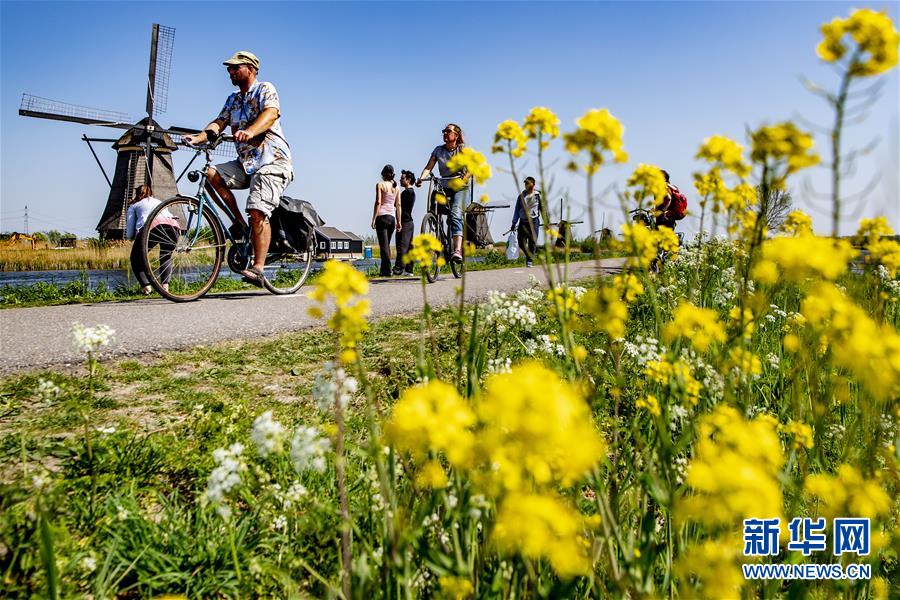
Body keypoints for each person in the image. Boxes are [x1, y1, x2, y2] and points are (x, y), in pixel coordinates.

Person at [182, 51, 293, 286]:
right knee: (210, 174)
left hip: (272, 161)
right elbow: (219, 122)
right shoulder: (233, 99)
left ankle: (259, 268)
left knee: (257, 209)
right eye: (228, 69)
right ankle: (239, 224)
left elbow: (271, 113)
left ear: (250, 69)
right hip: (247, 164)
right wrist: (199, 137)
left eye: (235, 68)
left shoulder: (265, 89)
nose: (230, 72)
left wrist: (251, 131)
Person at [416, 123, 467, 263]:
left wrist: (464, 178)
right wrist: (421, 178)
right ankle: (439, 235)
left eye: (448, 131)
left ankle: (457, 250)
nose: (445, 133)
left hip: (460, 188)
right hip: (444, 187)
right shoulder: (438, 150)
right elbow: (428, 167)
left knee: (455, 215)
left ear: (456, 135)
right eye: (444, 131)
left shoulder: (462, 149)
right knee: (435, 210)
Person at [126, 184, 180, 294]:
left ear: (137, 193)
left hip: (152, 227)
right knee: (166, 256)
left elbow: (129, 234)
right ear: (151, 192)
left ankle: (147, 288)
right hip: (173, 226)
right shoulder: (159, 202)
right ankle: (165, 287)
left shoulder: (134, 206)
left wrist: (134, 236)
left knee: (136, 258)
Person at [372, 164, 402, 277]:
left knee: (384, 246)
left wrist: (374, 219)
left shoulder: (380, 185)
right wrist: (399, 221)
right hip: (392, 218)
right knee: (386, 245)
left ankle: (388, 270)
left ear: (383, 174)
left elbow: (378, 202)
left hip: (382, 217)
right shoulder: (396, 187)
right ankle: (383, 270)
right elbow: (398, 205)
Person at [510, 176, 542, 267]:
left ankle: (529, 260)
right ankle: (529, 255)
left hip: (534, 221)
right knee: (521, 242)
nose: (526, 185)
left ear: (533, 184)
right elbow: (516, 210)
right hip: (523, 222)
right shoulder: (521, 196)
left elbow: (542, 209)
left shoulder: (538, 196)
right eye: (525, 183)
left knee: (532, 242)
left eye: (528, 183)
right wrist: (514, 222)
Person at [392, 170, 416, 275]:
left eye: (402, 178)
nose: (400, 180)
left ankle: (398, 268)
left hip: (404, 222)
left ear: (408, 180)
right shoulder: (411, 192)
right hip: (409, 222)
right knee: (409, 246)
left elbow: (397, 204)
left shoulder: (407, 192)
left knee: (401, 245)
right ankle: (409, 270)